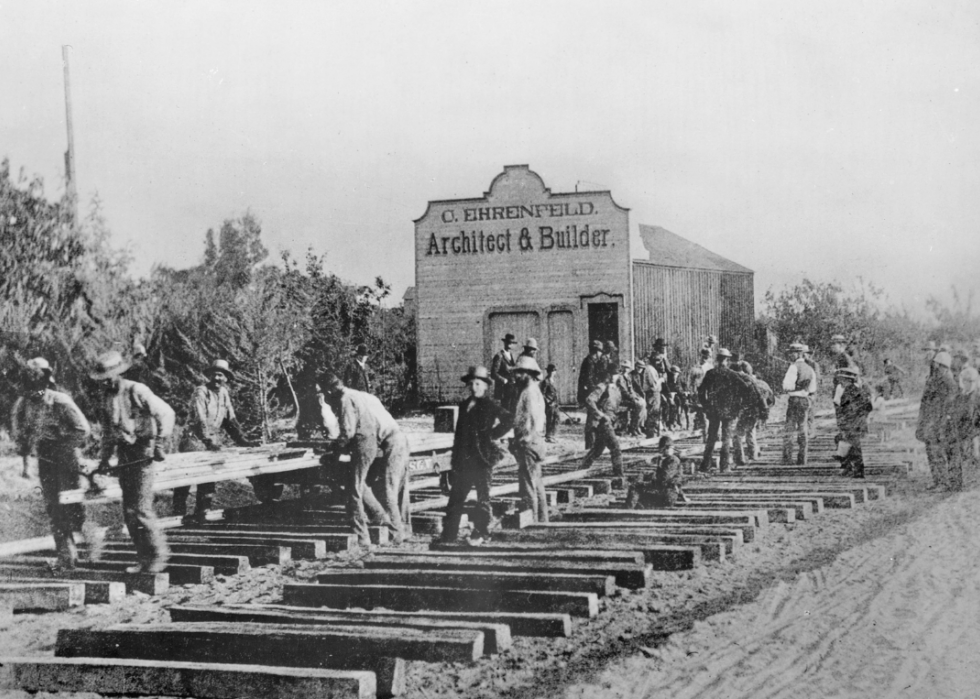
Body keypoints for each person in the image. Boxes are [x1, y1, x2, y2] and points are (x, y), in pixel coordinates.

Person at [91, 350, 174, 574]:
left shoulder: (137, 390)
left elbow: (166, 414)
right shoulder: (106, 399)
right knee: (129, 510)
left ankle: (157, 556)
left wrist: (160, 444)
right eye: (103, 379)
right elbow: (109, 432)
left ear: (119, 374)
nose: (107, 382)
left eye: (110, 377)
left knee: (140, 508)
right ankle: (144, 558)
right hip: (125, 453)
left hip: (144, 450)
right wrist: (105, 460)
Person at [11, 358, 97, 570]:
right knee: (55, 509)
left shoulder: (59, 400)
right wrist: (26, 461)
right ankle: (66, 557)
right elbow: (22, 434)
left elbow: (82, 430)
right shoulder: (25, 403)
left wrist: (62, 447)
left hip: (67, 460)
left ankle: (94, 547)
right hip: (46, 460)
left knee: (75, 509)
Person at [322, 373, 410, 547]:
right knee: (396, 487)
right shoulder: (364, 395)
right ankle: (395, 526)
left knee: (387, 489)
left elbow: (349, 431)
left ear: (331, 389)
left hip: (390, 441)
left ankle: (395, 533)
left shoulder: (346, 399)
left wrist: (337, 447)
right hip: (394, 437)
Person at [172, 359, 259, 522]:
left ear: (226, 378)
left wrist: (243, 440)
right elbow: (200, 419)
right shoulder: (201, 391)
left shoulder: (224, 393)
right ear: (209, 376)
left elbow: (230, 421)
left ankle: (202, 513)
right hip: (194, 439)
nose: (217, 379)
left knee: (209, 477)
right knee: (186, 476)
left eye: (221, 375)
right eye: (215, 375)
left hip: (210, 440)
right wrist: (208, 440)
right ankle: (178, 514)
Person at [439, 366, 512, 545]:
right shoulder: (464, 405)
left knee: (482, 499)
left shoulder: (489, 404)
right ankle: (448, 535)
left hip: (482, 460)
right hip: (464, 461)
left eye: (478, 384)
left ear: (485, 386)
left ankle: (481, 533)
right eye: (471, 384)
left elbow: (509, 419)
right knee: (456, 498)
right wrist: (454, 459)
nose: (474, 387)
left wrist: (492, 435)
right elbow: (459, 435)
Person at [698, 349, 763, 473]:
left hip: (713, 410)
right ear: (727, 360)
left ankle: (705, 465)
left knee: (711, 437)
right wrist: (738, 405)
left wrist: (706, 406)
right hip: (729, 411)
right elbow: (747, 389)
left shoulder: (710, 373)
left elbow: (701, 392)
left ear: (717, 359)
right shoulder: (732, 374)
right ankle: (725, 466)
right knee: (726, 439)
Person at [510, 356, 549, 523]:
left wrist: (524, 438)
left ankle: (532, 523)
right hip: (537, 441)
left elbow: (531, 418)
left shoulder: (529, 392)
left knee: (528, 486)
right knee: (537, 483)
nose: (517, 376)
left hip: (529, 442)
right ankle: (542, 519)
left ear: (529, 373)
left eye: (520, 373)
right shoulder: (535, 391)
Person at [917, 351, 957, 490]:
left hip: (939, 422)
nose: (935, 367)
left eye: (937, 365)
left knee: (938, 453)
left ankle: (943, 482)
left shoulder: (948, 381)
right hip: (930, 421)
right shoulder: (935, 379)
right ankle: (937, 481)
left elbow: (949, 405)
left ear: (943, 366)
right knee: (932, 452)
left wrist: (942, 423)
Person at [581, 367, 627, 477]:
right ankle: (619, 476)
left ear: (619, 375)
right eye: (610, 374)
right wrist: (600, 414)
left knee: (598, 449)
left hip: (610, 421)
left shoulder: (617, 389)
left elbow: (616, 404)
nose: (612, 377)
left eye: (615, 374)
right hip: (602, 423)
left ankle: (580, 470)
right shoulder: (602, 386)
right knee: (616, 449)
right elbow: (589, 400)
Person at [944, 366, 980, 492]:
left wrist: (975, 434)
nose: (969, 384)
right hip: (956, 433)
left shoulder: (977, 397)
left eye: (972, 381)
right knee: (954, 458)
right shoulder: (959, 397)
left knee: (970, 458)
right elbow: (952, 412)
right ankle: (956, 483)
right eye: (966, 381)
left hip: (971, 434)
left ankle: (969, 484)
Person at [834, 366, 874, 478]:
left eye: (842, 379)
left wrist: (854, 419)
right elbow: (868, 407)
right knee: (849, 444)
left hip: (853, 424)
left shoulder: (850, 391)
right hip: (855, 423)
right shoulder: (854, 390)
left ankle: (855, 471)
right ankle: (851, 469)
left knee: (853, 446)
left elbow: (849, 409)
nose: (840, 382)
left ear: (847, 380)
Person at [625, 436, 686, 509]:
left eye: (663, 449)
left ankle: (627, 510)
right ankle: (633, 506)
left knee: (636, 487)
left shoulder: (672, 460)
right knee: (639, 486)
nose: (661, 452)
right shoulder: (668, 459)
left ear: (665, 449)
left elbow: (664, 478)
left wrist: (645, 482)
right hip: (666, 492)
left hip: (667, 494)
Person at [781, 343, 816, 465]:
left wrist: (795, 387)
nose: (790, 355)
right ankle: (802, 458)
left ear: (797, 354)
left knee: (789, 429)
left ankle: (787, 458)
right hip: (805, 400)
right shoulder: (810, 368)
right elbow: (812, 389)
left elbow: (786, 386)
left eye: (792, 353)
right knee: (803, 428)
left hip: (795, 400)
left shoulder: (793, 367)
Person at [732, 361, 771, 465]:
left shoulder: (744, 382)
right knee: (750, 431)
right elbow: (771, 399)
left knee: (737, 435)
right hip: (757, 412)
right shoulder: (761, 383)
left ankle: (739, 459)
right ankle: (753, 455)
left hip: (747, 411)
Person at [578, 340, 606, 447]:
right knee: (591, 420)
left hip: (592, 393)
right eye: (600, 351)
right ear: (596, 351)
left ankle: (593, 445)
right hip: (590, 394)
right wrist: (597, 389)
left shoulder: (593, 361)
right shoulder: (589, 362)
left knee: (594, 419)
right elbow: (588, 380)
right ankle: (590, 446)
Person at [631, 359, 660, 437]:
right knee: (643, 405)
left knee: (648, 408)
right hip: (635, 395)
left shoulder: (643, 374)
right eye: (638, 367)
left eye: (641, 368)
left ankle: (641, 427)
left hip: (642, 395)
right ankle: (636, 427)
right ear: (635, 367)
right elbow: (632, 388)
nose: (640, 369)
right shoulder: (633, 375)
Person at [490, 333, 518, 412]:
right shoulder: (499, 356)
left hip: (512, 389)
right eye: (508, 342)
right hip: (504, 390)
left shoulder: (513, 356)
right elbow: (493, 373)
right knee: (505, 412)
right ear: (505, 342)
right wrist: (504, 380)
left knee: (513, 411)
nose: (510, 344)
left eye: (512, 343)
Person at [541, 363, 560, 443]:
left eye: (554, 371)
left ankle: (554, 435)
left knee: (556, 418)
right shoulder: (546, 381)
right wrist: (548, 402)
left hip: (555, 403)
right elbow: (542, 394)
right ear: (548, 372)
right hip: (549, 404)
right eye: (551, 371)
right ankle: (548, 436)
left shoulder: (554, 381)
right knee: (550, 419)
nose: (553, 372)